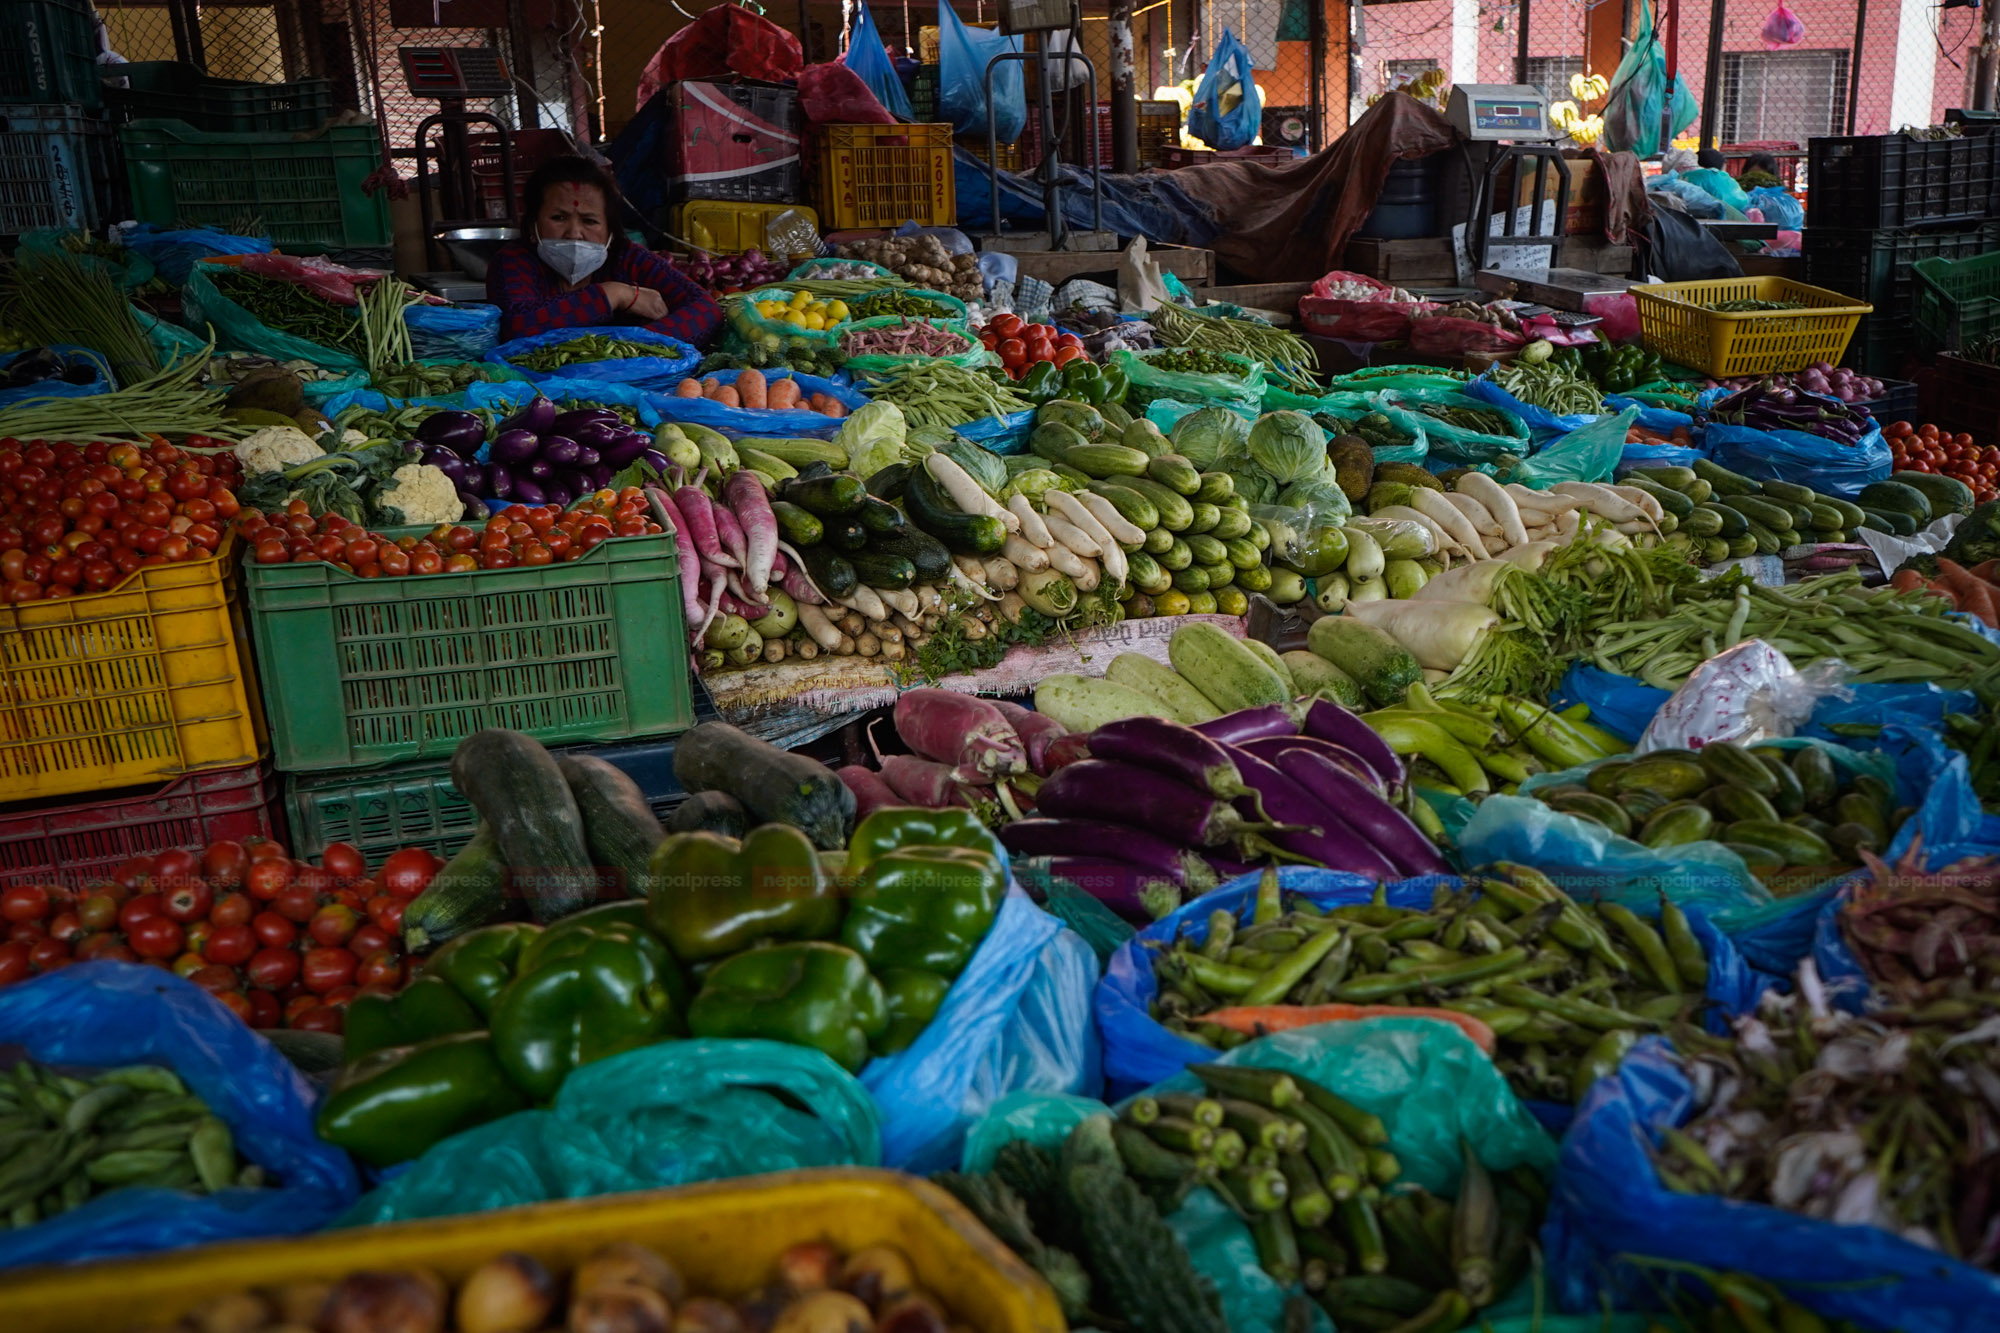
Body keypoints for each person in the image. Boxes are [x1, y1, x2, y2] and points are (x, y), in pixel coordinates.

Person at [487, 155, 723, 346]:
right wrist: (613, 295)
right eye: (558, 218)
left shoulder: (626, 258)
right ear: (532, 226)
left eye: (589, 221)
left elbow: (706, 311)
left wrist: (634, 345)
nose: (574, 233)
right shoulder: (514, 261)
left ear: (610, 231)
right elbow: (517, 327)